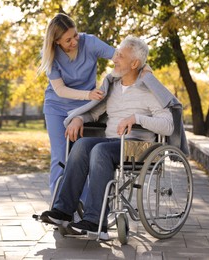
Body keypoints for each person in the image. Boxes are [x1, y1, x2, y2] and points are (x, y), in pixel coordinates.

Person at [42, 36, 177, 240]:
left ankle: (96, 223)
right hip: (112, 142)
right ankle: (63, 212)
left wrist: (136, 118)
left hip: (139, 147)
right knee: (82, 145)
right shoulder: (112, 87)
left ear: (134, 64)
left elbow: (168, 125)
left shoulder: (149, 90)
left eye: (120, 56)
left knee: (100, 151)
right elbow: (94, 112)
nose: (115, 58)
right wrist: (79, 118)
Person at [38, 13, 115, 197]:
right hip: (56, 108)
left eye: (75, 35)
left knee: (82, 157)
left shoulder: (90, 43)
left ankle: (84, 207)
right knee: (60, 157)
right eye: (68, 40)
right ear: (56, 41)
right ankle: (58, 207)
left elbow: (118, 56)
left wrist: (141, 66)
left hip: (83, 110)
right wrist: (88, 94)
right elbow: (60, 90)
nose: (74, 41)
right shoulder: (50, 55)